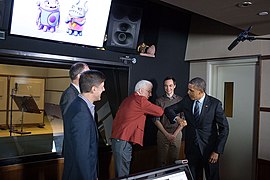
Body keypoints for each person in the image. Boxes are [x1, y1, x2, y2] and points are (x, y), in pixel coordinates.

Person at [165, 77, 229, 180]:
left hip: (210, 151)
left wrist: (217, 151)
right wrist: (177, 119)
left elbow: (224, 129)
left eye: (191, 90)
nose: (188, 92)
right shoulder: (187, 100)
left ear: (200, 91)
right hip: (192, 150)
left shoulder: (215, 104)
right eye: (188, 89)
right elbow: (169, 110)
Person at [111, 80, 164, 178]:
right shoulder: (140, 100)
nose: (151, 94)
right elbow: (159, 112)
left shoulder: (127, 99)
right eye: (148, 91)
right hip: (124, 140)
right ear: (140, 91)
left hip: (118, 139)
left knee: (121, 172)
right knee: (123, 174)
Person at [62, 70, 106, 180]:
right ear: (94, 89)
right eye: (102, 87)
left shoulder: (78, 104)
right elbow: (82, 153)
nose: (104, 90)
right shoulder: (81, 113)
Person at [58, 62, 89, 154]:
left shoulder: (80, 93)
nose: (90, 77)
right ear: (80, 76)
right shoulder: (69, 95)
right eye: (88, 73)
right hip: (75, 148)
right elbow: (72, 125)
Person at [153, 76, 184, 167]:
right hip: (163, 133)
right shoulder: (159, 101)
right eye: (166, 86)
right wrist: (166, 134)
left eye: (170, 85)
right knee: (161, 161)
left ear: (174, 86)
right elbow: (156, 119)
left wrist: (174, 134)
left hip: (177, 133)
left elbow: (183, 119)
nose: (168, 88)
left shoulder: (180, 100)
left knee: (174, 161)